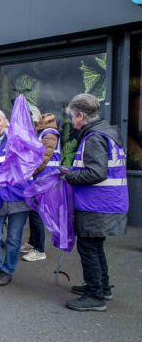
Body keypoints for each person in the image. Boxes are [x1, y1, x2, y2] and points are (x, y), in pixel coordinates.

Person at [61, 94, 127, 312]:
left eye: (72, 117)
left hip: (96, 204)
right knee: (96, 248)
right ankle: (101, 287)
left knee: (88, 248)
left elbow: (96, 173)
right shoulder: (106, 133)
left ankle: (95, 296)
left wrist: (68, 176)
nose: (71, 121)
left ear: (81, 115)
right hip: (106, 202)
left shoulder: (94, 137)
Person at [0, 109, 30, 286]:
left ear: (6, 122)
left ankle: (7, 270)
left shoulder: (18, 138)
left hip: (18, 195)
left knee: (14, 238)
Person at [20, 106, 61, 263]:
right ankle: (32, 242)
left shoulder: (49, 133)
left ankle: (39, 249)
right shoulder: (44, 132)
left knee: (37, 212)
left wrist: (30, 173)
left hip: (44, 179)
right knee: (33, 211)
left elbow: (43, 158)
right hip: (41, 178)